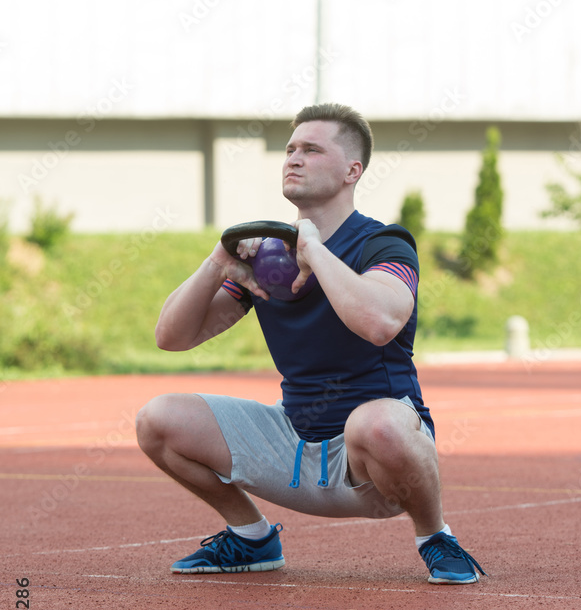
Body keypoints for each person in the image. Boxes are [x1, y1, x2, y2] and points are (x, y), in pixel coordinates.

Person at [135, 102, 485, 584]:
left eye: (312, 149)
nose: (293, 158)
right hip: (295, 444)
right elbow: (171, 337)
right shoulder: (267, 257)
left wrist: (314, 250)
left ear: (351, 170)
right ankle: (251, 537)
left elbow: (380, 322)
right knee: (158, 418)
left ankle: (435, 535)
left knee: (378, 422)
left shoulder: (383, 243)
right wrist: (219, 259)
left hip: (374, 462)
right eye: (290, 149)